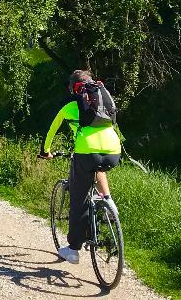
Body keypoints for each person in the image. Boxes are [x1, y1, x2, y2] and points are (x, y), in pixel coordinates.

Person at [40, 69, 121, 265]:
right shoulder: (104, 102)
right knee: (98, 168)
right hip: (113, 150)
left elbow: (51, 131)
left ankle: (74, 250)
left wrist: (46, 151)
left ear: (73, 89)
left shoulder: (71, 107)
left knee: (78, 199)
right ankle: (109, 203)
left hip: (86, 152)